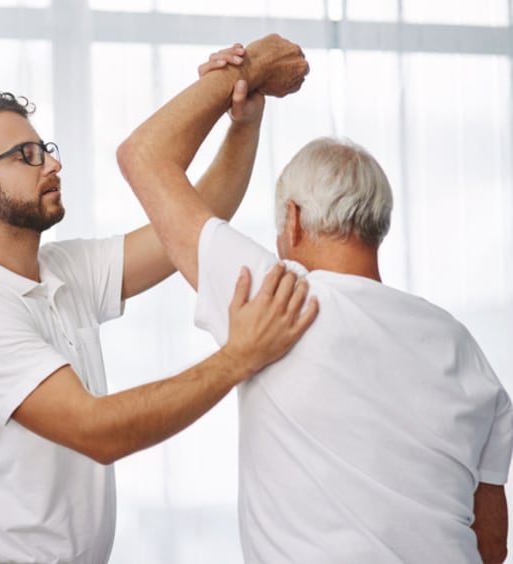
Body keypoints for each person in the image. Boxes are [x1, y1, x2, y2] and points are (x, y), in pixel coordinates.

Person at [118, 33, 513, 564]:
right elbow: (490, 539)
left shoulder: (277, 300)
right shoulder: (460, 344)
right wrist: (247, 118)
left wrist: (245, 69)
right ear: (378, 225)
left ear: (294, 221)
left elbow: (142, 155)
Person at [0, 41, 315, 563]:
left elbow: (196, 221)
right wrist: (238, 357)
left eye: (47, 147)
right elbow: (97, 430)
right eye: (26, 155)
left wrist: (243, 122)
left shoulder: (60, 270)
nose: (52, 163)